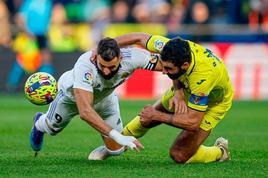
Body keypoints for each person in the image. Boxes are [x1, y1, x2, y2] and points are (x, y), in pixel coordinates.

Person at [91, 32, 234, 163]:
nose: (164, 72)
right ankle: (118, 145)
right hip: (186, 88)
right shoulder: (170, 47)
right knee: (146, 120)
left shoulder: (203, 75)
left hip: (214, 103)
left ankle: (220, 152)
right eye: (163, 66)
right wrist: (178, 91)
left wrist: (157, 115)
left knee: (179, 155)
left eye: (169, 69)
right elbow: (138, 37)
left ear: (184, 65)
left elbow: (192, 122)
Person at [30, 37, 163, 158]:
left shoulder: (134, 57)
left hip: (105, 99)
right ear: (95, 58)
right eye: (102, 66)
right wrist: (118, 136)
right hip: (72, 99)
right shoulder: (85, 66)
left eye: (111, 67)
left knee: (116, 151)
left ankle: (106, 148)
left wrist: (179, 88)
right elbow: (85, 111)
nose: (106, 71)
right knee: (52, 129)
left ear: (121, 58)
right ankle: (39, 122)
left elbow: (168, 66)